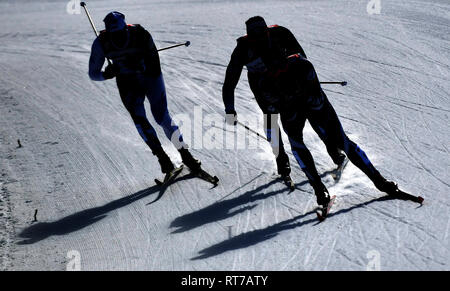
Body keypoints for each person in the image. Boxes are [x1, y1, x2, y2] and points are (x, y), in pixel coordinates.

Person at [257, 52, 399, 208]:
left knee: (341, 140)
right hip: (291, 110)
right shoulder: (265, 82)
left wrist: (292, 97)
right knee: (297, 143)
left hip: (313, 103)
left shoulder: (302, 65)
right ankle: (319, 190)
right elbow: (271, 110)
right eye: (274, 68)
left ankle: (380, 182)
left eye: (281, 65)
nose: (278, 69)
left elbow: (316, 99)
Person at [222, 16, 345, 179]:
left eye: (262, 35)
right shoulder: (242, 50)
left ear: (267, 31)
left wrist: (304, 78)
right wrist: (229, 109)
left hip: (286, 78)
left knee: (307, 109)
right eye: (254, 37)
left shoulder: (280, 33)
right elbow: (230, 82)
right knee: (271, 117)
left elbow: (301, 56)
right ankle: (281, 159)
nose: (259, 40)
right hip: (263, 87)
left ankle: (331, 147)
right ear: (249, 37)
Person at [88, 11, 201, 175]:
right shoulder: (101, 42)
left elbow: (154, 62)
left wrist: (138, 65)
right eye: (114, 34)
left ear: (126, 27)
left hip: (150, 77)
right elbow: (93, 74)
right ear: (107, 31)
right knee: (140, 120)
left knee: (161, 116)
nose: (118, 37)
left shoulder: (140, 33)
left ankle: (186, 155)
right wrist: (106, 74)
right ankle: (163, 158)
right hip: (127, 83)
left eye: (120, 33)